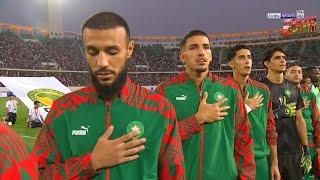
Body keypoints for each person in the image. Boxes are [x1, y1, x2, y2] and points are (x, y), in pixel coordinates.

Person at [33, 12, 185, 179]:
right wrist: (90, 163)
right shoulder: (62, 111)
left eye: (112, 51)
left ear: (129, 49)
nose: (102, 62)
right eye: (92, 51)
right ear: (84, 51)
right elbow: (37, 175)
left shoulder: (160, 110)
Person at [156, 30, 255, 180]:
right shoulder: (165, 91)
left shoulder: (230, 89)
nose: (201, 52)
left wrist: (247, 177)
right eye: (194, 48)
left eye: (206, 47)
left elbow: (244, 138)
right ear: (182, 56)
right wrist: (196, 120)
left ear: (211, 55)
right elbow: (158, 140)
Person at [226, 44, 280, 180]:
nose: (247, 61)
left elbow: (270, 128)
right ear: (231, 63)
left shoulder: (263, 90)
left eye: (249, 57)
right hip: (230, 160)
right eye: (241, 58)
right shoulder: (220, 90)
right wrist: (246, 108)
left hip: (260, 160)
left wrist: (274, 163)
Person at [261, 47, 311, 179]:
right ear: (267, 63)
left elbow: (300, 120)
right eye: (277, 58)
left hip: (294, 151)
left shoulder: (294, 88)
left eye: (284, 58)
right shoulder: (260, 88)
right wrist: (278, 113)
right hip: (271, 152)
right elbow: (258, 122)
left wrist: (305, 150)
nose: (282, 60)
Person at [285, 65, 320, 179]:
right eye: (293, 71)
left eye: (299, 72)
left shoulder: (310, 95)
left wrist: (318, 145)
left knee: (309, 175)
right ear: (285, 74)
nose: (297, 74)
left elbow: (316, 121)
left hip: (309, 143)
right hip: (287, 144)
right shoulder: (279, 94)